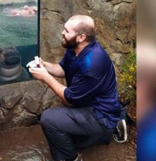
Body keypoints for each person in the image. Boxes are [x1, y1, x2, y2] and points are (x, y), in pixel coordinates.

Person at [29, 15, 121, 161]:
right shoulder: (74, 48)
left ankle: (70, 158)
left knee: (49, 119)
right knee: (65, 134)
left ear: (81, 37)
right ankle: (101, 135)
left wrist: (46, 77)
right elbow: (62, 69)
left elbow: (70, 99)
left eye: (67, 31)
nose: (62, 33)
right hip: (87, 104)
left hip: (101, 114)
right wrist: (44, 65)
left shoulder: (92, 63)